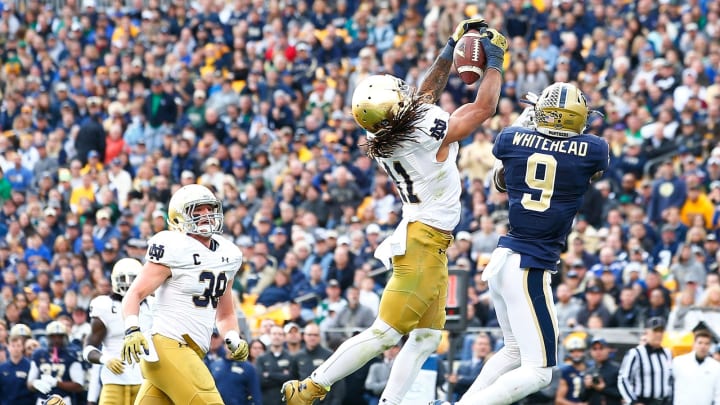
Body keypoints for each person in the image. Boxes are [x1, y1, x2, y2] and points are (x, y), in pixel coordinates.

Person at [282, 18, 508, 405]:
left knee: (427, 337)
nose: (408, 95)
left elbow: (423, 97)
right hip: (422, 241)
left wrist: (449, 48)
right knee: (385, 333)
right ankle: (313, 386)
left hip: (425, 237)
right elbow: (483, 107)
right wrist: (496, 61)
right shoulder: (422, 131)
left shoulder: (381, 132)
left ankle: (391, 402)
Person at [452, 81, 610, 405]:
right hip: (529, 266)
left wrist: (529, 118)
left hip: (504, 258)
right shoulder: (594, 150)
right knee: (540, 371)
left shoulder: (511, 139)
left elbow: (499, 177)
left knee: (513, 351)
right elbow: (581, 158)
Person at [120, 184, 249, 404]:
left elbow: (225, 313)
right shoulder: (173, 246)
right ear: (179, 218)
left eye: (210, 209)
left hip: (191, 352)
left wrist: (233, 338)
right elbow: (134, 294)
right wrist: (132, 328)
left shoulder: (229, 254)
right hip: (168, 346)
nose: (206, 216)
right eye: (197, 211)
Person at [83, 258, 152, 405]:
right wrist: (105, 359)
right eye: (123, 279)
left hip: (145, 380)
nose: (127, 283)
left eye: (132, 279)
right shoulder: (104, 305)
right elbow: (88, 349)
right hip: (113, 380)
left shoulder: (152, 304)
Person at [26, 321, 84, 405]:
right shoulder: (38, 354)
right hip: (42, 400)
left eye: (60, 336)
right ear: (48, 337)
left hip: (64, 400)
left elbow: (79, 386)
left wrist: (57, 383)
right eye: (53, 336)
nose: (56, 340)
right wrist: (35, 383)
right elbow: (29, 384)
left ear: (65, 337)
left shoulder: (71, 355)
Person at [618, 317, 673, 405]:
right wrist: (633, 401)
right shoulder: (636, 353)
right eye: (655, 331)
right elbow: (623, 379)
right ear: (647, 332)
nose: (658, 334)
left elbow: (669, 380)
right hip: (644, 401)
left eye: (661, 331)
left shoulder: (667, 353)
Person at [671, 329, 720, 404]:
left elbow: (718, 393)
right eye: (700, 343)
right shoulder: (679, 362)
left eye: (706, 343)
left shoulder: (716, 366)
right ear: (694, 344)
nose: (703, 346)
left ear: (710, 346)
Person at [584, 338, 622, 405]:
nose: (598, 352)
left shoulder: (617, 369)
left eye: (601, 348)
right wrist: (587, 387)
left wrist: (604, 388)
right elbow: (582, 398)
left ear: (608, 350)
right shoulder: (589, 371)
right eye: (594, 349)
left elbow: (623, 394)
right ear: (590, 351)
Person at [0, 335, 35, 404]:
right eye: (13, 346)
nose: (16, 349)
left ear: (22, 347)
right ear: (8, 347)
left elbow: (33, 391)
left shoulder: (30, 366)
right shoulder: (2, 368)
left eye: (18, 346)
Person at [555, 337, 590, 404]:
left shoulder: (591, 368)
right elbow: (559, 399)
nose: (576, 354)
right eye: (573, 351)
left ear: (584, 352)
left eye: (579, 351)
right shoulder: (566, 371)